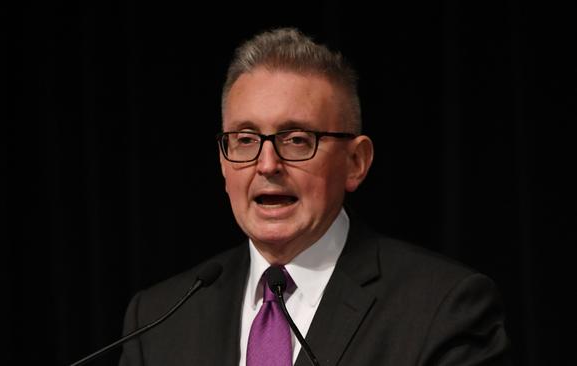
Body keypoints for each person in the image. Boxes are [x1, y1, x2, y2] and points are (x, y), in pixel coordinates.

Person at [119, 27, 510, 365]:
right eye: (245, 140)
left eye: (296, 140)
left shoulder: (442, 309)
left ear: (356, 162)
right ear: (223, 165)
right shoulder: (158, 318)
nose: (267, 164)